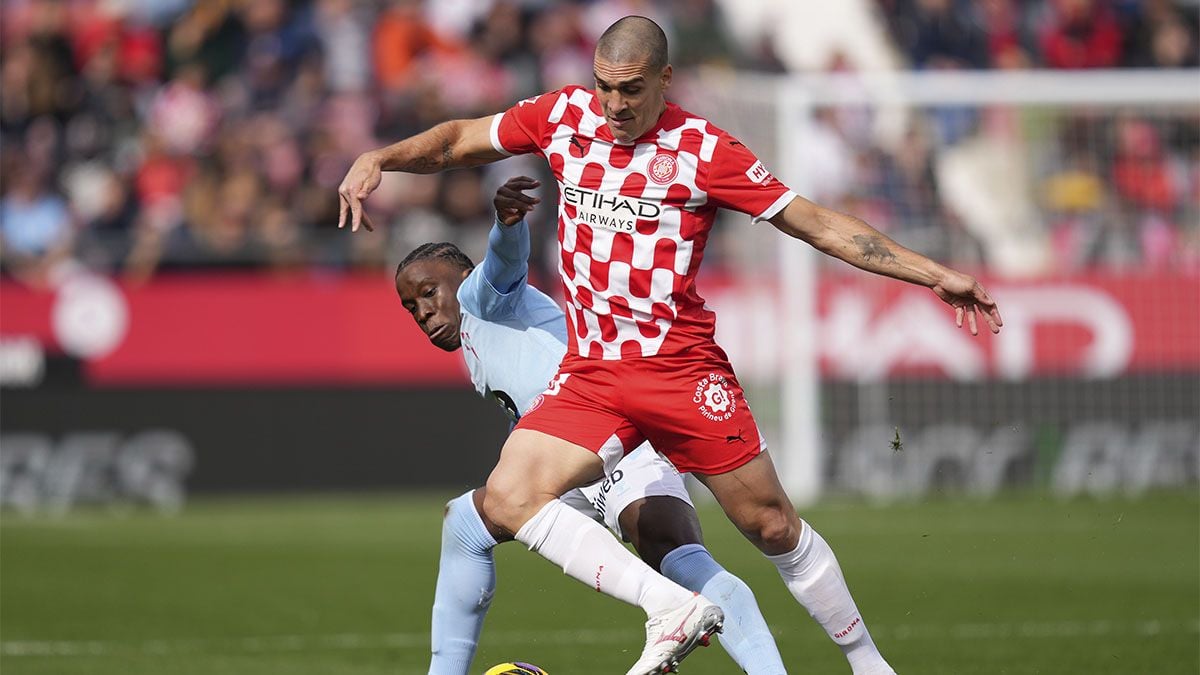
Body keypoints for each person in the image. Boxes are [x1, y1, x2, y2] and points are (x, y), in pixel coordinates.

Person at [339, 16, 1002, 675]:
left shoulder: (705, 150)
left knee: (770, 524)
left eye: (630, 90)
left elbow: (816, 224)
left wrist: (934, 272)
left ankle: (868, 663)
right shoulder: (564, 116)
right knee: (505, 497)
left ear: (665, 79)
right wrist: (380, 158)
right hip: (593, 373)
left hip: (680, 371)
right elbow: (459, 139)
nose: (614, 104)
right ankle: (669, 607)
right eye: (604, 87)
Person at [400, 176, 787, 675]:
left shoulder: (482, 298)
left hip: (612, 435)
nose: (423, 310)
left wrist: (506, 224)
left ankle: (700, 625)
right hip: (567, 459)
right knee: (467, 524)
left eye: (429, 292)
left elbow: (503, 263)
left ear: (462, 278)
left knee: (677, 557)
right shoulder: (474, 341)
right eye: (412, 307)